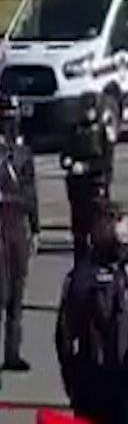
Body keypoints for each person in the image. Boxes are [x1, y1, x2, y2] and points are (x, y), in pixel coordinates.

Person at [56, 204, 128, 424]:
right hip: (93, 390)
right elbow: (65, 335)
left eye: (125, 231)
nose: (122, 238)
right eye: (115, 229)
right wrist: (74, 384)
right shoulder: (82, 278)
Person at [0, 95, 36, 372]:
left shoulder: (23, 153)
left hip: (17, 226)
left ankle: (12, 352)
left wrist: (35, 227)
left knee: (17, 294)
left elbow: (30, 192)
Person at [61, 93, 115, 261]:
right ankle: (80, 260)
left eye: (89, 110)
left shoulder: (102, 130)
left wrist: (86, 167)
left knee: (98, 226)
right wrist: (68, 161)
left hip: (95, 184)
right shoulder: (73, 130)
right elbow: (64, 154)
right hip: (77, 187)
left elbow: (106, 161)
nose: (86, 114)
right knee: (79, 230)